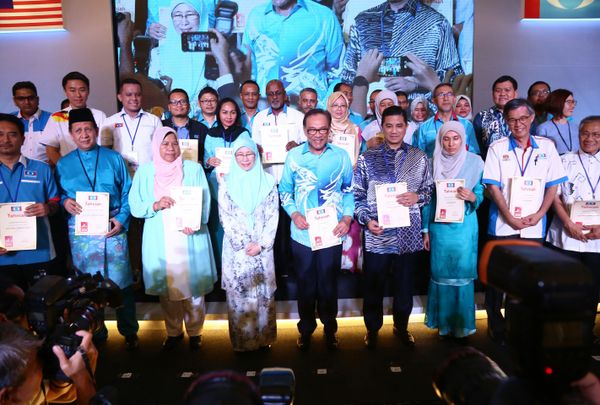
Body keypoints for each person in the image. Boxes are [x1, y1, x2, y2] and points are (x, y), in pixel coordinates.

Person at [481, 99, 567, 344]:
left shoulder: (546, 147)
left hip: (533, 225)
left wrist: (539, 215)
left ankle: (516, 324)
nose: (518, 124)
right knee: (498, 278)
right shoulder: (497, 148)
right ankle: (496, 325)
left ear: (531, 119)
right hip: (502, 224)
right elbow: (493, 187)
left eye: (522, 118)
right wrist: (509, 217)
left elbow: (553, 186)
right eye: (512, 120)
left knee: (524, 279)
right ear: (506, 121)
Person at [55, 108, 139, 350]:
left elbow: (128, 192)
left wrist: (121, 219)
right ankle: (97, 334)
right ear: (71, 134)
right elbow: (57, 195)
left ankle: (129, 331)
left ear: (96, 131)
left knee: (122, 284)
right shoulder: (63, 164)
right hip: (82, 233)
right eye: (78, 130)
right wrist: (64, 202)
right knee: (87, 286)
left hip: (113, 227)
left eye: (88, 129)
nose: (84, 135)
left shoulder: (114, 159)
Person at [129, 127, 217, 350]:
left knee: (193, 287)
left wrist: (195, 222)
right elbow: (135, 204)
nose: (171, 148)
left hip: (190, 235)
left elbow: (205, 200)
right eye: (165, 144)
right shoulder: (145, 172)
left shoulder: (193, 169)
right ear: (156, 146)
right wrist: (155, 204)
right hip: (160, 236)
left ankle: (196, 332)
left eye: (174, 143)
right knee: (167, 289)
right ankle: (173, 332)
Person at [353, 105, 433, 348]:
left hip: (408, 235)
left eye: (399, 125)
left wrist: (417, 197)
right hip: (377, 234)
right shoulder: (368, 158)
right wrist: (367, 220)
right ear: (382, 127)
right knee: (373, 286)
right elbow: (357, 196)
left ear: (406, 127)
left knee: (404, 286)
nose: (394, 130)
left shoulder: (419, 157)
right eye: (389, 126)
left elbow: (429, 190)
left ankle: (401, 327)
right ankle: (372, 329)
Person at [279, 109, 354, 350]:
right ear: (305, 131)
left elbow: (349, 191)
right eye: (312, 130)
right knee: (305, 285)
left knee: (328, 284)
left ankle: (330, 329)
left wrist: (347, 218)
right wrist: (294, 214)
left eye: (322, 129)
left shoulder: (341, 156)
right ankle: (306, 329)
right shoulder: (294, 157)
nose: (317, 134)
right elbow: (284, 192)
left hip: (332, 233)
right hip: (302, 234)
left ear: (329, 130)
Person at [422, 121, 484, 339]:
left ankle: (462, 326)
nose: (451, 144)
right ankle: (444, 325)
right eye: (446, 139)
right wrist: (425, 230)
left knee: (462, 274)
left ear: (463, 139)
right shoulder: (432, 163)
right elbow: (427, 200)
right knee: (441, 274)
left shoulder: (475, 162)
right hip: (439, 228)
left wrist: (473, 197)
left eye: (455, 138)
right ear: (440, 141)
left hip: (464, 227)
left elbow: (480, 191)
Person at [218, 137, 279, 351]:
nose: (245, 159)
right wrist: (245, 244)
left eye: (249, 154)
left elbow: (273, 215)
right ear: (234, 157)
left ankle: (263, 340)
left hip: (262, 249)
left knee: (263, 295)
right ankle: (242, 343)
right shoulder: (225, 183)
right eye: (240, 155)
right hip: (238, 251)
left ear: (256, 155)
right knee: (240, 296)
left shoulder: (269, 182)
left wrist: (261, 244)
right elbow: (225, 217)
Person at [341, 0, 463, 101]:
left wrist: (416, 84)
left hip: (422, 115)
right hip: (369, 113)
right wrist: (364, 79)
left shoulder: (437, 23)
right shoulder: (362, 21)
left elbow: (453, 77)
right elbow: (347, 76)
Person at [252, 80, 306, 275]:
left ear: (284, 94)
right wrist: (257, 149)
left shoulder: (297, 117)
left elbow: (307, 145)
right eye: (271, 94)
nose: (274, 97)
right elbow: (253, 147)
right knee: (272, 226)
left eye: (278, 93)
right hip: (267, 181)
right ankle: (274, 268)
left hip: (291, 182)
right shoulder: (259, 119)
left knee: (290, 225)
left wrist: (298, 147)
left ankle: (292, 268)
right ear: (267, 96)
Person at [0, 114, 59, 290]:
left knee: (42, 303)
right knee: (9, 306)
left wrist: (48, 208)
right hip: (2, 257)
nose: (5, 140)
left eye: (12, 134)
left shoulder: (42, 169)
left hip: (39, 252)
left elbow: (55, 202)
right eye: (0, 134)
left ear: (23, 139)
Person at [242, 0, 344, 103]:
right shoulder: (255, 16)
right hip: (266, 109)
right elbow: (248, 71)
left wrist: (325, 107)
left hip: (311, 110)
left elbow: (338, 72)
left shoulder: (325, 17)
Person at [546, 116, 600, 297]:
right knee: (563, 292)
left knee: (591, 293)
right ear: (579, 135)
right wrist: (568, 223)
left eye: (596, 134)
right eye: (585, 133)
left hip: (597, 241)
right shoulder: (563, 160)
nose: (589, 138)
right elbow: (554, 196)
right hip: (565, 237)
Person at [204, 98, 252, 269]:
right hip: (216, 186)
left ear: (237, 114)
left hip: (238, 185)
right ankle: (219, 267)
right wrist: (209, 161)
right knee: (218, 225)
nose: (229, 116)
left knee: (237, 225)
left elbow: (249, 157)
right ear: (218, 113)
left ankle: (238, 265)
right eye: (224, 112)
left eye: (232, 112)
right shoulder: (211, 134)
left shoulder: (243, 133)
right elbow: (205, 159)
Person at [0, 323, 97, 405]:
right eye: (37, 365)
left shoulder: (16, 396)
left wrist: (62, 379)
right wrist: (81, 377)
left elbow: (51, 395)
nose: (43, 366)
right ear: (5, 396)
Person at [326, 91, 363, 273]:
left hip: (350, 183)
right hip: (329, 184)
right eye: (335, 105)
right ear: (329, 107)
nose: (339, 109)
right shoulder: (324, 129)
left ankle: (350, 268)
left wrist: (356, 165)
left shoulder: (355, 129)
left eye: (343, 105)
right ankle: (330, 267)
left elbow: (360, 155)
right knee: (330, 226)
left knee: (351, 227)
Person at [41, 72, 106, 167]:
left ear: (88, 91)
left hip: (97, 167)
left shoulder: (99, 115)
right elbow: (51, 150)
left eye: (82, 90)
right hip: (68, 169)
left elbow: (105, 146)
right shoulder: (57, 117)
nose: (78, 95)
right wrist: (66, 168)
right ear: (65, 91)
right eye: (72, 90)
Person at [100, 78, 162, 176]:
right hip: (120, 175)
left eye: (138, 94)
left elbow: (161, 150)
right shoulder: (109, 122)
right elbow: (104, 153)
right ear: (120, 97)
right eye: (129, 95)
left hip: (149, 175)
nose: (134, 98)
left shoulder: (154, 121)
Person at [414, 83, 479, 157]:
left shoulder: (467, 125)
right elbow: (419, 158)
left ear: (454, 99)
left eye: (449, 94)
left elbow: (474, 154)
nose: (446, 98)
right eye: (441, 95)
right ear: (434, 101)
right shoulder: (424, 128)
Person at [473, 75, 518, 158]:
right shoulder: (481, 117)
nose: (502, 94)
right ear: (492, 94)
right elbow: (477, 148)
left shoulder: (523, 116)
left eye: (507, 90)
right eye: (498, 91)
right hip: (490, 162)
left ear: (515, 93)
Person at [162, 88, 209, 164]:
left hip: (193, 169)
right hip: (166, 169)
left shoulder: (201, 128)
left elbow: (207, 155)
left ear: (189, 106)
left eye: (183, 101)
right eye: (174, 102)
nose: (179, 105)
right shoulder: (161, 126)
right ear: (169, 107)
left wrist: (202, 163)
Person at [10, 81, 51, 162]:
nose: (27, 102)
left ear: (37, 99)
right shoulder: (9, 121)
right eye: (21, 99)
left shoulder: (52, 119)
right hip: (15, 168)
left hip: (47, 168)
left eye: (31, 98)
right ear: (15, 101)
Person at [536, 89, 579, 155]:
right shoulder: (543, 128)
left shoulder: (575, 127)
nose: (573, 106)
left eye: (573, 102)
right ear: (557, 103)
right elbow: (541, 154)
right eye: (569, 102)